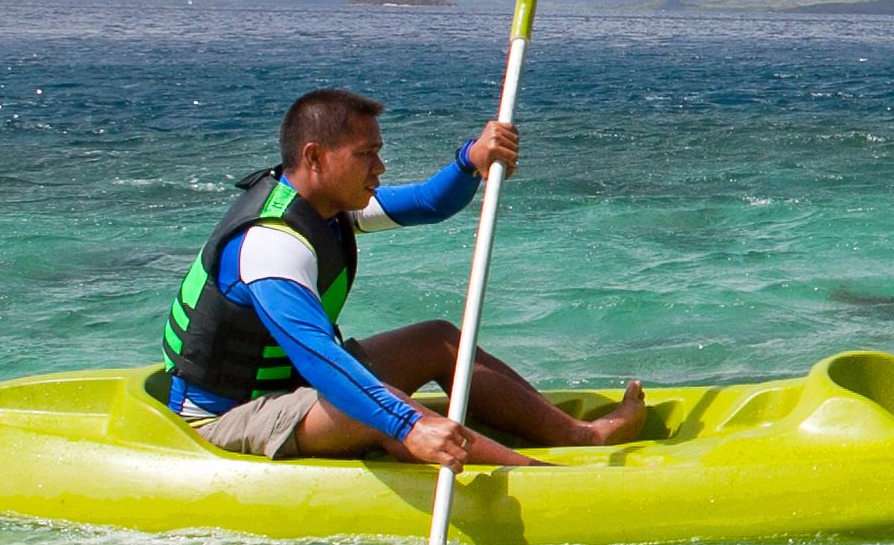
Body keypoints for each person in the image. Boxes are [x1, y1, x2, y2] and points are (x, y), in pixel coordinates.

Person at [155, 86, 642, 466]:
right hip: (229, 417)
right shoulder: (270, 244)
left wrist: (469, 161)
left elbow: (429, 203)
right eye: (365, 155)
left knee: (436, 339)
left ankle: (580, 437)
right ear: (314, 157)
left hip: (294, 388)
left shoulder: (325, 206)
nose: (380, 167)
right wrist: (408, 423)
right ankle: (538, 478)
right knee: (376, 402)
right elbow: (319, 358)